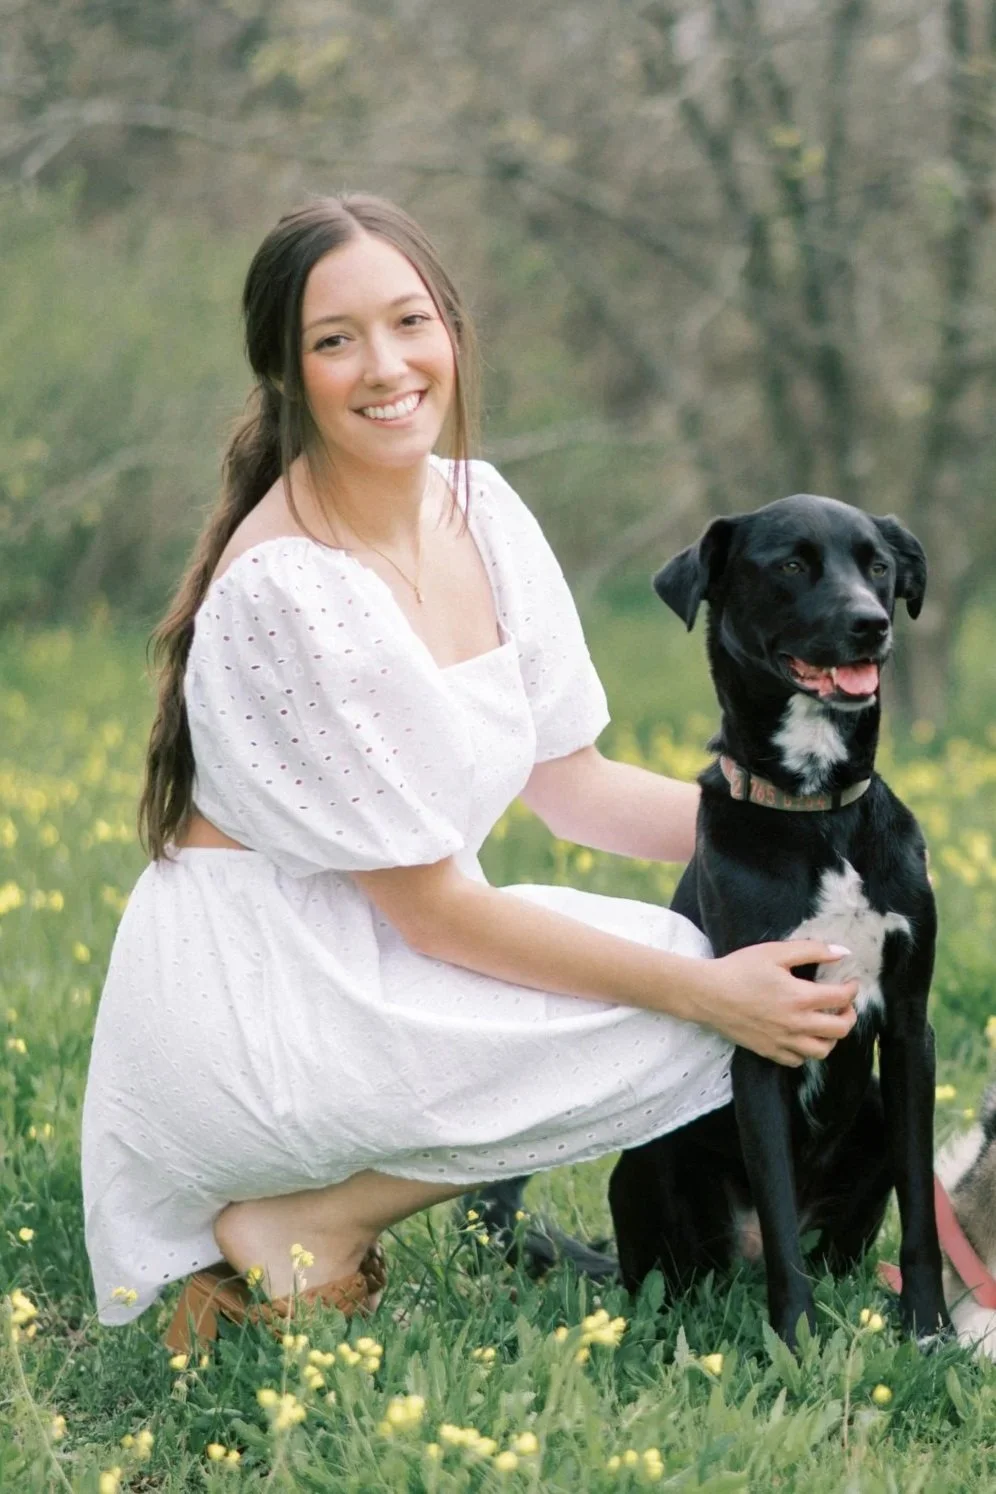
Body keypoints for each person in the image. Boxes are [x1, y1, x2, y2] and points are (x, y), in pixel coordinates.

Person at [80, 194, 859, 1345]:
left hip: (373, 948)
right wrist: (709, 991)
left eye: (408, 322)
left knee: (713, 970)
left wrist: (829, 835)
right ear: (285, 373)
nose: (385, 365)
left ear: (450, 326)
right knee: (704, 997)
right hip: (260, 1004)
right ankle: (309, 1225)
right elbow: (440, 915)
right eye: (334, 340)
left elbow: (573, 784)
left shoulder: (480, 507)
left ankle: (313, 1217)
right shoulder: (287, 590)